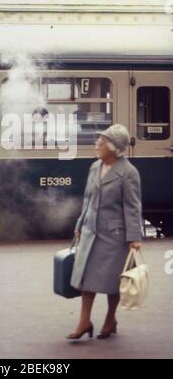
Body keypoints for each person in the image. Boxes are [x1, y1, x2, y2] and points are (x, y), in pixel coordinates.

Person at [67, 124, 143, 340]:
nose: (97, 145)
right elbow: (88, 199)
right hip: (91, 231)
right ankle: (84, 321)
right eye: (98, 141)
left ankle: (110, 319)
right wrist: (80, 224)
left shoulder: (128, 173)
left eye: (101, 142)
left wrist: (134, 237)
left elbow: (133, 206)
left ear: (114, 147)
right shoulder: (94, 167)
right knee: (86, 278)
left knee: (112, 282)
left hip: (114, 235)